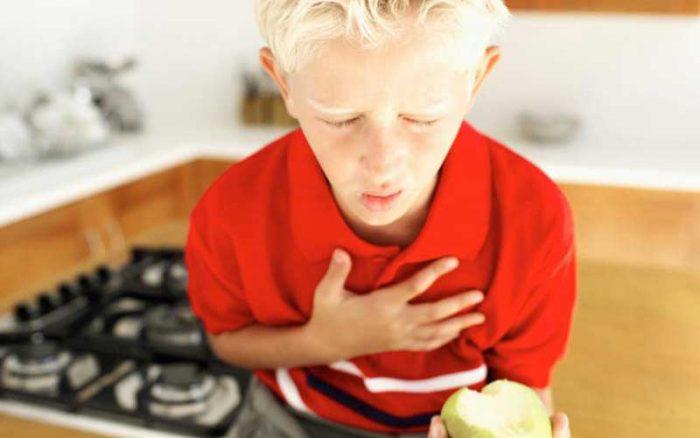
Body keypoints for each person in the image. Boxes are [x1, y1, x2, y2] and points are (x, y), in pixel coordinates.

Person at [185, 1, 576, 436]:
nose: (382, 166)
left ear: (477, 79)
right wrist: (322, 343)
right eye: (342, 118)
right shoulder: (232, 212)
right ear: (282, 82)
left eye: (421, 118)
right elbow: (228, 340)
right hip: (288, 421)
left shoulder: (533, 219)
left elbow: (522, 387)